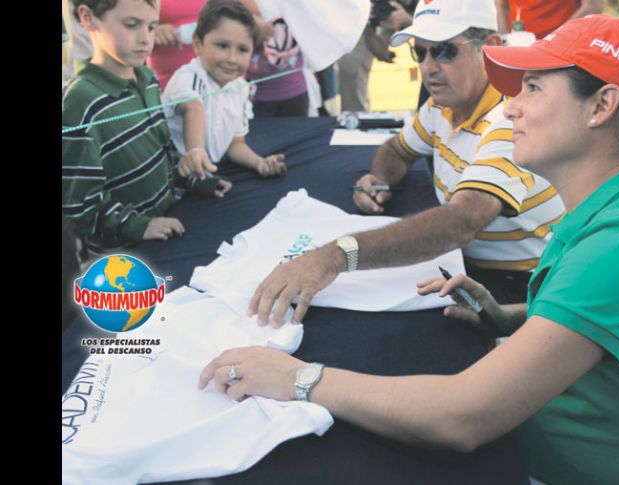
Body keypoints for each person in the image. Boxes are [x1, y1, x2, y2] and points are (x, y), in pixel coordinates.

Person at [198, 14, 619, 484]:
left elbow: (463, 417)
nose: (512, 106)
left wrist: (297, 378)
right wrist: (510, 318)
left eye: (532, 88)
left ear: (601, 106)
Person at [249, 0, 565, 327]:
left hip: (520, 288)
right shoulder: (443, 106)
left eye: (444, 51)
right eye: (420, 52)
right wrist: (378, 177)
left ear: (491, 48)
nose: (428, 67)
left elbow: (461, 222)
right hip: (467, 267)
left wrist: (336, 256)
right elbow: (397, 150)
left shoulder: (509, 119)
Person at [62, 0, 231, 255]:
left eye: (152, 27)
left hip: (168, 226)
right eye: (132, 25)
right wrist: (139, 226)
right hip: (123, 255)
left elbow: (163, 152)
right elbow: (80, 208)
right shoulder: (79, 101)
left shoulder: (148, 78)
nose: (145, 39)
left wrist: (194, 180)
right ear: (87, 18)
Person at [162, 0, 287, 180]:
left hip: (207, 174)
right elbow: (193, 109)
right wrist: (196, 152)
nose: (232, 59)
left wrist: (260, 163)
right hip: (177, 179)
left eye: (242, 49)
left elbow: (235, 144)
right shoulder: (189, 77)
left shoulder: (240, 88)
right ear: (198, 44)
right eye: (222, 46)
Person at [494, 0, 605, 40]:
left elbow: (593, 6)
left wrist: (554, 40)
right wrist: (505, 40)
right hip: (517, 45)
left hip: (562, 48)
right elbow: (501, 6)